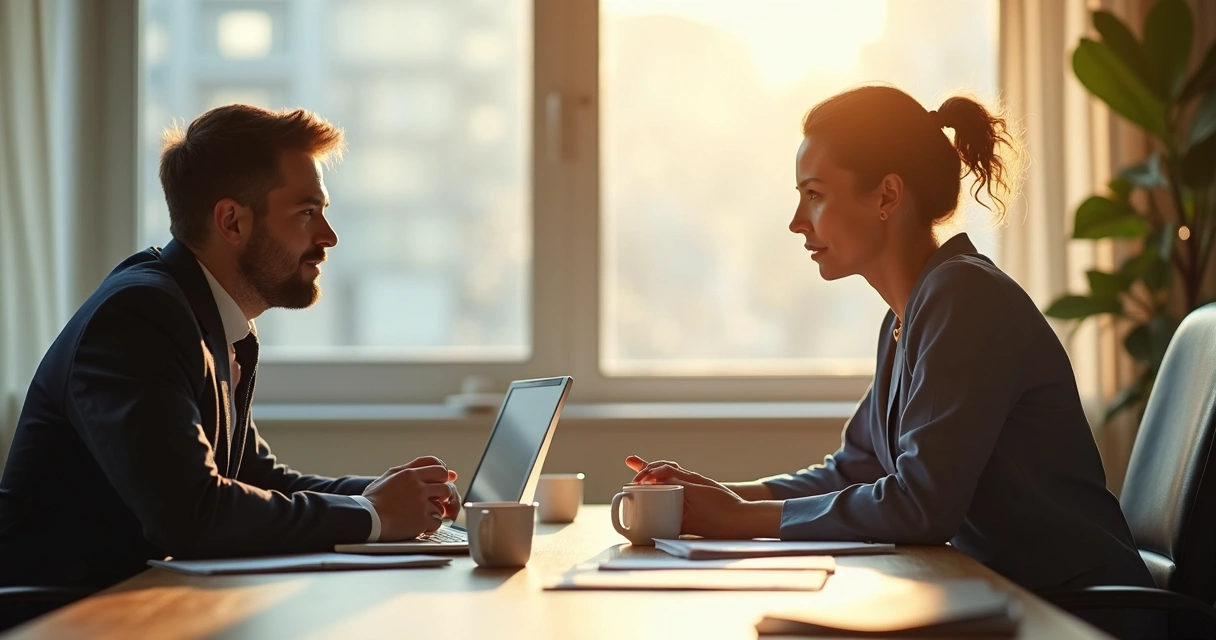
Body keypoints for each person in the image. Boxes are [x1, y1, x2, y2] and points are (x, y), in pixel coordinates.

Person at [626, 85, 1153, 593]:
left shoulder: (964, 299)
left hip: (1081, 614)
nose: (795, 222)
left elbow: (921, 506)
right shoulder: (908, 316)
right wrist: (711, 496)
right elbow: (855, 469)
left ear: (887, 195)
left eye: (815, 195)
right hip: (1005, 598)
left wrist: (742, 520)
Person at [0, 105, 461, 590]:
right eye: (307, 212)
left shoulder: (204, 315)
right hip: (56, 617)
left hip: (130, 604)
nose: (328, 237)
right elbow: (193, 515)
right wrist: (371, 515)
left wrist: (381, 496)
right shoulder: (139, 317)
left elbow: (259, 480)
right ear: (232, 222)